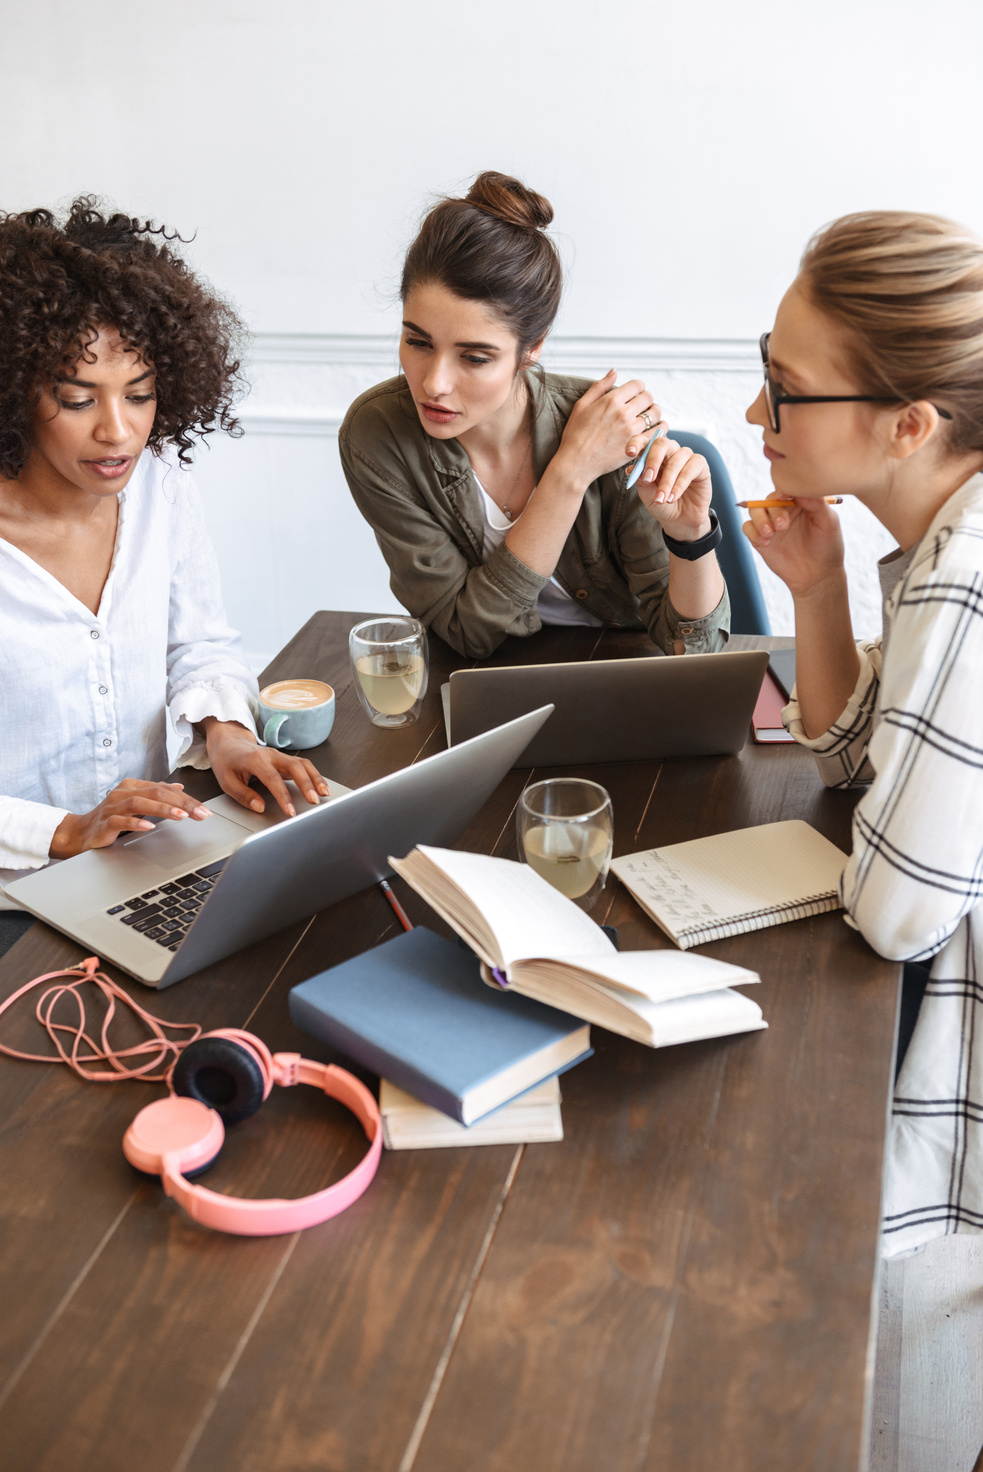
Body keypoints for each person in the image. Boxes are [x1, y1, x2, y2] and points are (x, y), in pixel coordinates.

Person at [742, 211, 983, 1257]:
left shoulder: (966, 580)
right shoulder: (937, 543)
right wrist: (815, 585)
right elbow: (852, 765)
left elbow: (895, 911)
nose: (758, 408)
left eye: (786, 386)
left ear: (906, 426)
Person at [0, 199, 329, 944]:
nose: (118, 430)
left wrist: (227, 734)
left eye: (140, 394)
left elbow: (200, 644)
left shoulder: (157, 485)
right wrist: (68, 832)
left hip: (154, 865)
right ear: (16, 385)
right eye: (77, 398)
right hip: (20, 903)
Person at [339, 172, 729, 660]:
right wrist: (570, 473)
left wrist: (689, 536)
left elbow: (694, 648)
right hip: (483, 685)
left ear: (532, 348)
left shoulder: (615, 430)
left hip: (619, 678)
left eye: (475, 357)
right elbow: (464, 632)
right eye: (418, 342)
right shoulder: (379, 436)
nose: (434, 383)